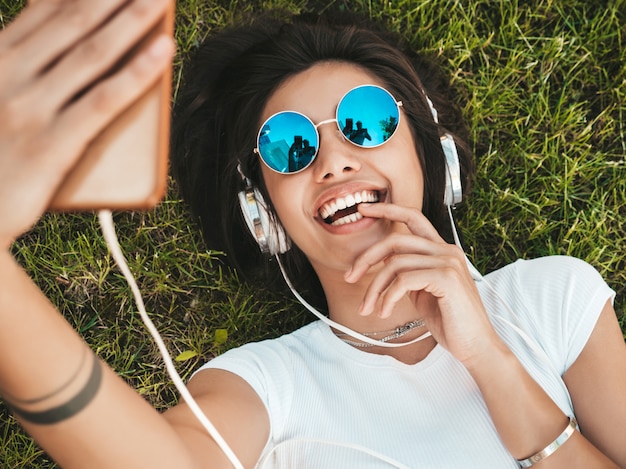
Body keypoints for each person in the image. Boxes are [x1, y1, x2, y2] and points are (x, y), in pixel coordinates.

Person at [0, 3, 625, 469]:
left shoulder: (551, 299)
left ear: (433, 156)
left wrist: (489, 358)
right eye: (289, 145)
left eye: (367, 121)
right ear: (263, 212)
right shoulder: (267, 386)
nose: (334, 161)